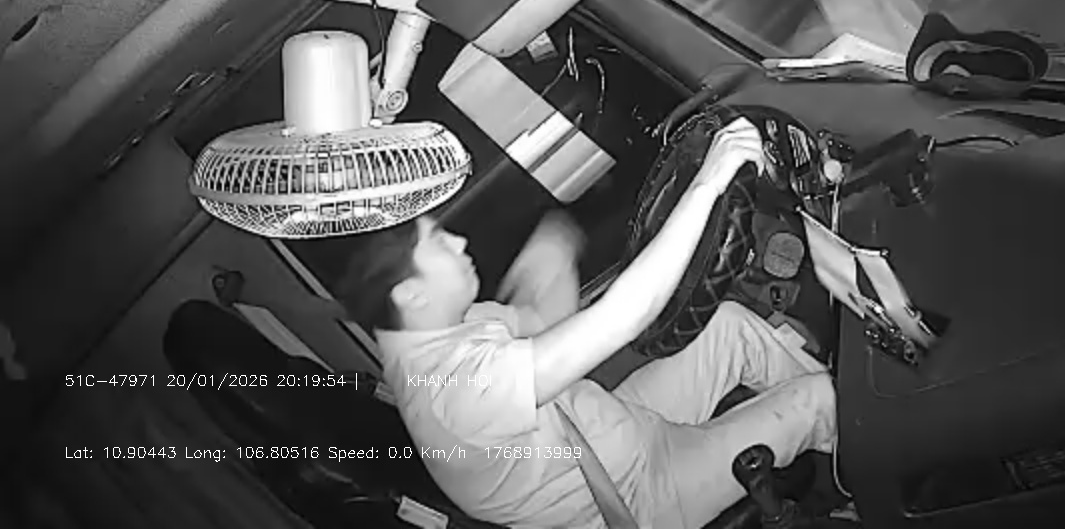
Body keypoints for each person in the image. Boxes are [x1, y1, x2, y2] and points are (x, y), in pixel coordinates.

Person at [335, 118, 837, 528]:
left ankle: (845, 424)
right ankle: (867, 472)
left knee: (726, 328)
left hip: (619, 429)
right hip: (642, 496)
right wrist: (710, 180)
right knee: (817, 399)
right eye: (439, 244)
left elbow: (545, 323)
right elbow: (621, 318)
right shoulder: (453, 391)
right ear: (411, 294)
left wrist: (558, 244)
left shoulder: (444, 331)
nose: (459, 242)